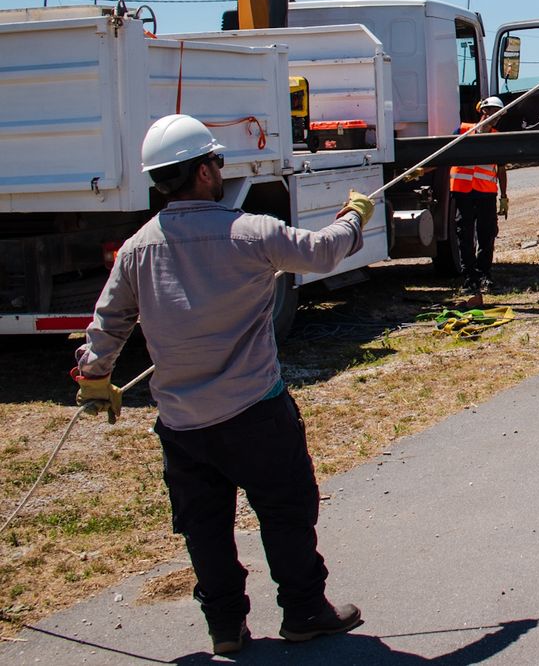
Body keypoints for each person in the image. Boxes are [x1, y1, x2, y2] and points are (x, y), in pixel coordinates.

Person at [72, 114, 372, 655]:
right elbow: (325, 251)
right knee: (284, 510)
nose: (220, 168)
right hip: (255, 411)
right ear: (205, 173)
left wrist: (95, 377)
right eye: (216, 160)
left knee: (204, 529)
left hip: (182, 425)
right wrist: (354, 215)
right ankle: (304, 611)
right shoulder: (250, 232)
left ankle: (226, 628)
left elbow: (109, 321)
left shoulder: (139, 248)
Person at [449, 96, 510, 296]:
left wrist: (504, 196)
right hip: (463, 191)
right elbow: (442, 153)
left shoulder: (497, 137)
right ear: (483, 111)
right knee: (464, 235)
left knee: (487, 234)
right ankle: (470, 278)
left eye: (499, 114)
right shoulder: (462, 131)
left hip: (485, 192)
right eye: (493, 112)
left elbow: (501, 169)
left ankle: (484, 274)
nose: (496, 117)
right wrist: (422, 170)